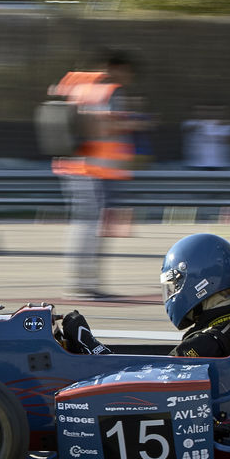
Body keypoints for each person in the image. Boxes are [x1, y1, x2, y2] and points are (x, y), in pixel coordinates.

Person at [50, 51, 149, 300]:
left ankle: (82, 280)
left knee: (84, 225)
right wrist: (133, 123)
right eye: (126, 71)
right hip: (95, 169)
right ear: (116, 68)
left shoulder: (80, 88)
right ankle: (85, 283)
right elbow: (104, 125)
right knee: (89, 227)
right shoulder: (110, 91)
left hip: (77, 166)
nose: (128, 77)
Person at [58, 232, 230, 359]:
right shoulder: (222, 328)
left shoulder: (208, 342)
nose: (173, 292)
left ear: (201, 282)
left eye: (176, 283)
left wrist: (94, 350)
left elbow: (155, 379)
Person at [159, 233, 230, 357]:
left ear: (199, 282)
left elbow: (166, 371)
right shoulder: (227, 327)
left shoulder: (205, 343)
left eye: (177, 284)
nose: (175, 290)